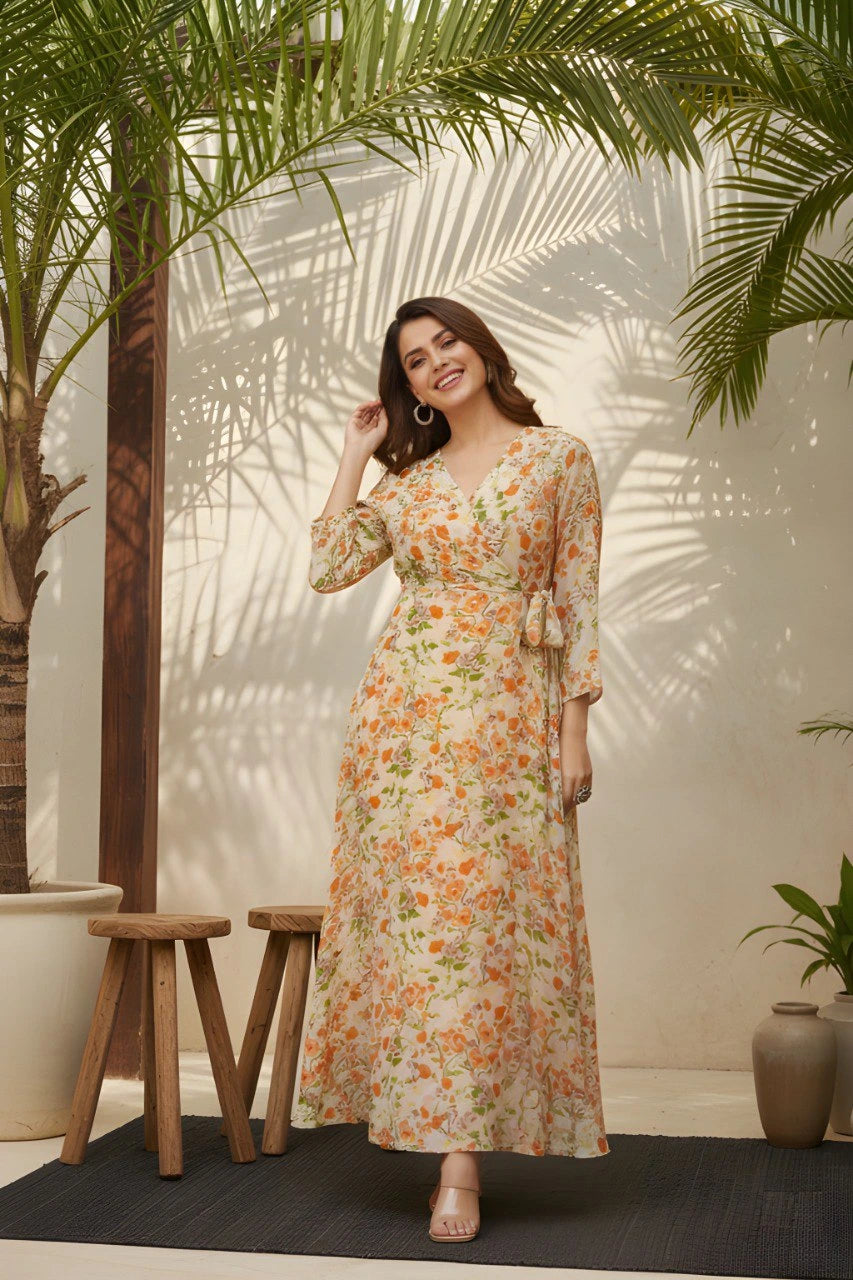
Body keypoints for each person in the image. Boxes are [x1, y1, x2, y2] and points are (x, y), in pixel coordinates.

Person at [292, 296, 609, 1243]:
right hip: (404, 731)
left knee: (488, 930)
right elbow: (330, 566)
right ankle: (450, 1164)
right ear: (409, 388)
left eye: (447, 343)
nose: (437, 363)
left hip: (511, 721)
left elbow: (578, 596)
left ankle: (475, 1140)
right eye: (416, 360)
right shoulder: (411, 485)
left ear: (479, 347)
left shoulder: (559, 459)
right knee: (428, 935)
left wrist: (574, 731)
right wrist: (357, 452)